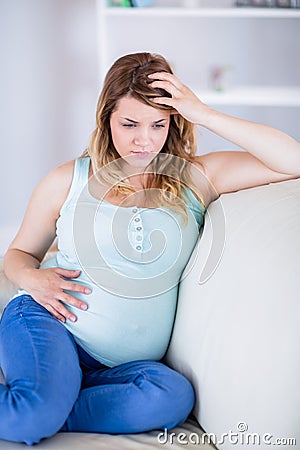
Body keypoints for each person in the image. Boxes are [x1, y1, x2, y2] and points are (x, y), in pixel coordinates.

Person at [2, 52, 300, 445]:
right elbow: (18, 254)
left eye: (158, 124)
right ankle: (42, 406)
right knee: (31, 416)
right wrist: (32, 279)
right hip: (52, 326)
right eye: (129, 124)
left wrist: (204, 113)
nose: (144, 139)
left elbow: (291, 160)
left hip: (124, 368)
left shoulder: (195, 178)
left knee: (172, 395)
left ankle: (53, 403)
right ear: (106, 118)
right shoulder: (67, 181)